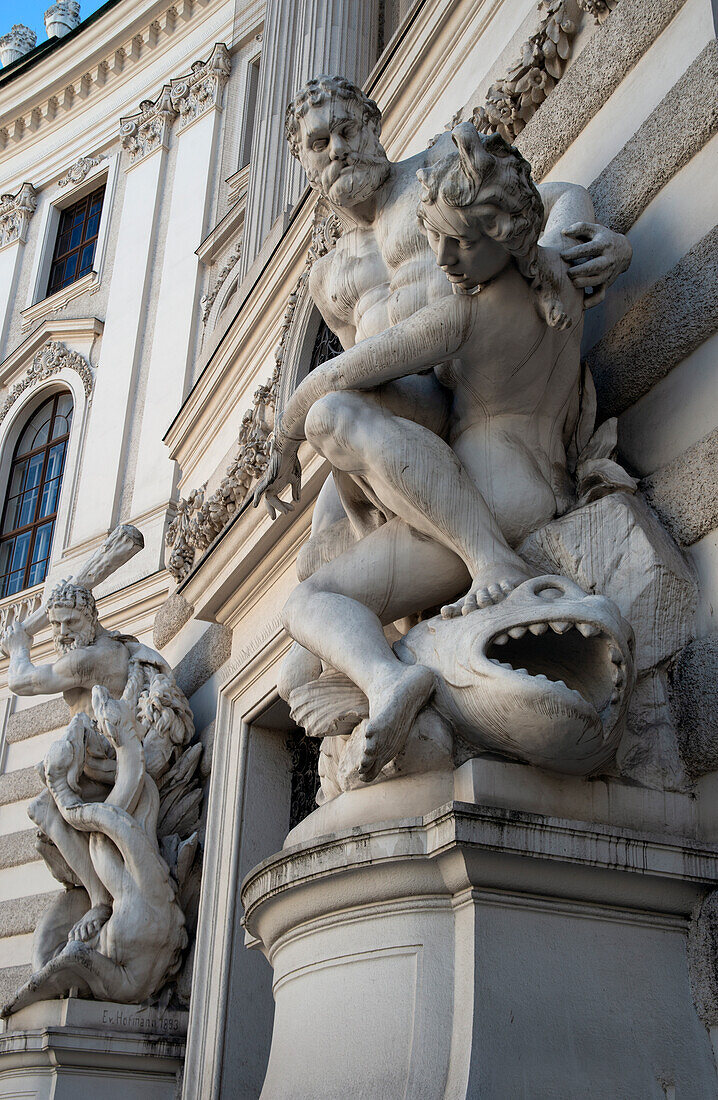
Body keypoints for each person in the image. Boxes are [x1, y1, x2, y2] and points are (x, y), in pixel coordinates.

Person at [255, 77, 631, 782]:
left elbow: (551, 201)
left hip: (465, 409)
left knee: (333, 416)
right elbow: (359, 367)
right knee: (307, 618)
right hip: (400, 430)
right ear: (303, 165)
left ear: (374, 123)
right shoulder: (328, 274)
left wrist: (593, 242)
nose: (337, 150)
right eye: (318, 143)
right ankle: (395, 670)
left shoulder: (436, 177)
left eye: (348, 130)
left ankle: (484, 564)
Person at [1, 580, 193, 943]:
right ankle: (99, 895)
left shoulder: (92, 658)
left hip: (114, 766)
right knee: (46, 810)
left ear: (91, 617)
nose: (61, 633)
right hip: (102, 761)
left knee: (45, 809)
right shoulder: (97, 647)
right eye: (56, 625)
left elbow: (23, 682)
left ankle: (102, 899)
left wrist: (18, 646)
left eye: (70, 622)